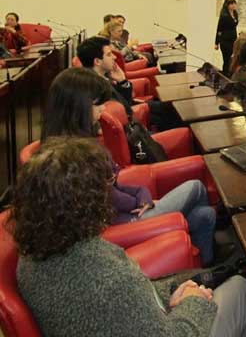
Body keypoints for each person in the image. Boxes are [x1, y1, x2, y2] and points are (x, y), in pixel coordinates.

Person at [10, 137, 246, 336]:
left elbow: (130, 307)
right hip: (168, 326)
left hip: (144, 318)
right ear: (87, 203)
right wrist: (193, 303)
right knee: (242, 289)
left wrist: (171, 295)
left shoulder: (30, 256)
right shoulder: (107, 278)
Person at [41, 67, 219, 264]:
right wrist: (139, 202)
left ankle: (206, 264)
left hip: (125, 214)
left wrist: (142, 195)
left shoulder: (74, 142)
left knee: (206, 215)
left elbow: (114, 187)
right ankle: (201, 264)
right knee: (196, 186)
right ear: (77, 106)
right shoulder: (71, 156)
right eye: (97, 103)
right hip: (120, 226)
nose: (103, 108)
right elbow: (110, 197)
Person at [78, 36, 182, 130]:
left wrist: (122, 81)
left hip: (131, 110)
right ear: (97, 61)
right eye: (109, 54)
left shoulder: (102, 76)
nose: (114, 57)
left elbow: (124, 102)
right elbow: (125, 110)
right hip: (130, 120)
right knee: (173, 112)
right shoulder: (95, 86)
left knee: (170, 108)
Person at [215, 0, 239, 77]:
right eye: (231, 4)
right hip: (225, 40)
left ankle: (230, 74)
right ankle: (225, 75)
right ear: (227, 5)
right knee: (227, 59)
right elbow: (219, 29)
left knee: (232, 59)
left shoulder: (235, 14)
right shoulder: (224, 15)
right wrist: (216, 42)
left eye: (234, 3)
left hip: (233, 39)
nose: (233, 5)